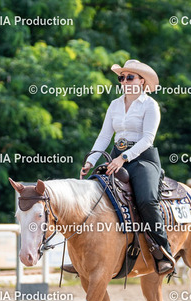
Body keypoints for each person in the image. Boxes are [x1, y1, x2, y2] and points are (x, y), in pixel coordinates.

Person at [68, 59, 176, 275]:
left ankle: (162, 252)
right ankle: (85, 256)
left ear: (142, 81)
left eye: (129, 77)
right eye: (121, 78)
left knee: (146, 200)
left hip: (143, 159)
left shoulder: (150, 105)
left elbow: (148, 139)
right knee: (92, 196)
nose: (124, 81)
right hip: (116, 156)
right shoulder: (114, 105)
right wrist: (91, 161)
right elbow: (104, 136)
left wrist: (124, 158)